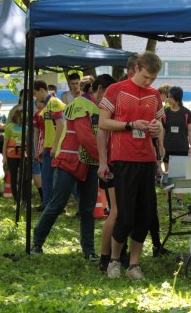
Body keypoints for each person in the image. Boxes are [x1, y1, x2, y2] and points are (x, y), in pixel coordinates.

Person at [31, 75, 116, 261]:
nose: (112, 98)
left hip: (91, 164)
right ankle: (37, 242)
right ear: (100, 89)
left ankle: (89, 250)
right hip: (69, 162)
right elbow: (85, 137)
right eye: (110, 93)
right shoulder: (80, 104)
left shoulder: (103, 108)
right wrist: (106, 161)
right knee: (57, 203)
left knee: (87, 208)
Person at [98, 51, 164, 280]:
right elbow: (103, 122)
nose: (148, 82)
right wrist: (129, 125)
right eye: (146, 77)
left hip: (146, 159)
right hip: (123, 158)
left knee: (145, 215)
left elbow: (160, 125)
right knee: (123, 215)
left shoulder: (155, 95)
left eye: (152, 79)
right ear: (136, 67)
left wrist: (157, 129)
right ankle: (114, 260)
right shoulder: (116, 90)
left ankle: (134, 264)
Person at [33, 79, 66, 210]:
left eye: (35, 93)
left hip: (55, 148)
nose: (35, 97)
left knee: (62, 178)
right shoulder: (49, 104)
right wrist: (42, 148)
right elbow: (47, 129)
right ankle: (47, 204)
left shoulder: (53, 103)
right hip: (48, 147)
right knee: (47, 177)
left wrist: (55, 146)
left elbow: (61, 125)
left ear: (42, 90)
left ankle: (51, 205)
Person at [161, 86, 191, 209]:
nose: (168, 99)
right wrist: (161, 146)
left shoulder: (186, 113)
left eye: (170, 97)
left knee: (180, 175)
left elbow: (190, 132)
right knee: (168, 174)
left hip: (182, 148)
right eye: (168, 97)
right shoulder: (165, 113)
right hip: (168, 147)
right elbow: (162, 131)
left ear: (177, 98)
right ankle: (168, 199)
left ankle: (180, 200)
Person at [2, 107, 27, 204]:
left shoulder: (26, 127)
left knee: (24, 177)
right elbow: (5, 143)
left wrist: (29, 155)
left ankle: (24, 199)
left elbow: (28, 143)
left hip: (23, 156)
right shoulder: (9, 127)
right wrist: (4, 157)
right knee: (13, 177)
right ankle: (17, 199)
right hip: (11, 156)